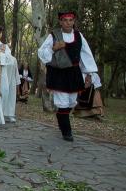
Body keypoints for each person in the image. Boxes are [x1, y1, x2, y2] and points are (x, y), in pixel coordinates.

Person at [38, 11, 98, 142]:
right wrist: (54, 48)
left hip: (74, 73)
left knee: (71, 102)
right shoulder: (54, 35)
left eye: (70, 20)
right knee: (63, 102)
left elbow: (86, 55)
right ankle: (67, 132)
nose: (68, 22)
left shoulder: (79, 36)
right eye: (65, 20)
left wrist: (89, 73)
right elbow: (42, 53)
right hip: (59, 73)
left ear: (74, 21)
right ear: (60, 21)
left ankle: (61, 118)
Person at [3, 55, 21, 123]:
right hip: (3, 80)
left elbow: (16, 71)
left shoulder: (14, 59)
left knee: (11, 98)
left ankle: (11, 115)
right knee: (3, 97)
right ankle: (1, 114)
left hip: (12, 81)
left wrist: (17, 83)